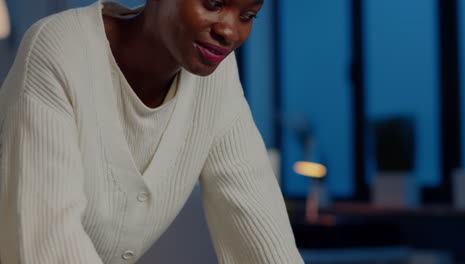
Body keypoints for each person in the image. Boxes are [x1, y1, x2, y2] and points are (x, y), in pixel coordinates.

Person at [0, 0, 304, 263]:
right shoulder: (58, 47)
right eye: (213, 3)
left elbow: (257, 221)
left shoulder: (215, 77)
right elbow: (49, 240)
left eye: (247, 16)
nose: (229, 31)